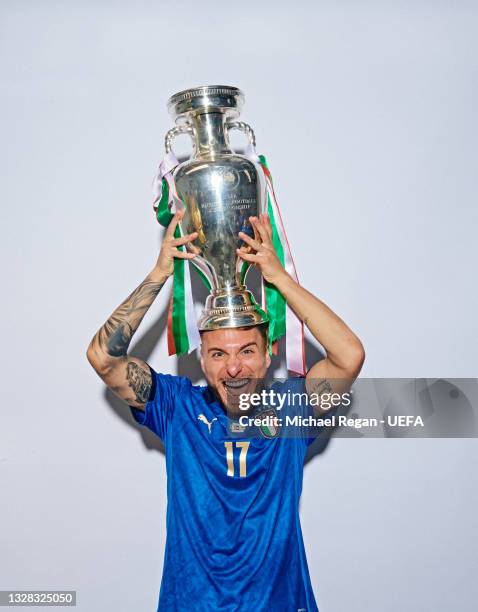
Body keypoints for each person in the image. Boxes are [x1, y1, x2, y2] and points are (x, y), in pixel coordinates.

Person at [86, 210, 365, 611]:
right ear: (201, 360)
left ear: (269, 355)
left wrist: (279, 277)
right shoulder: (176, 408)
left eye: (247, 351)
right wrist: (159, 274)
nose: (233, 367)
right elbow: (103, 358)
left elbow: (349, 355)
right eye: (218, 353)